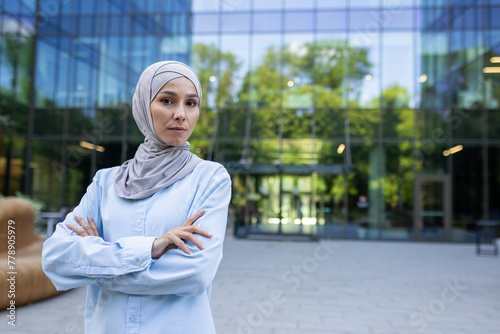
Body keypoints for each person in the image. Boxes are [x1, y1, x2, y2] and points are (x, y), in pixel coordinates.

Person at [42, 61, 231, 334]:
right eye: (167, 100)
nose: (180, 114)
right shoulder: (105, 182)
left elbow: (194, 274)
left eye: (191, 103)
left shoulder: (210, 178)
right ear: (143, 105)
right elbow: (55, 257)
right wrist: (152, 248)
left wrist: (98, 264)